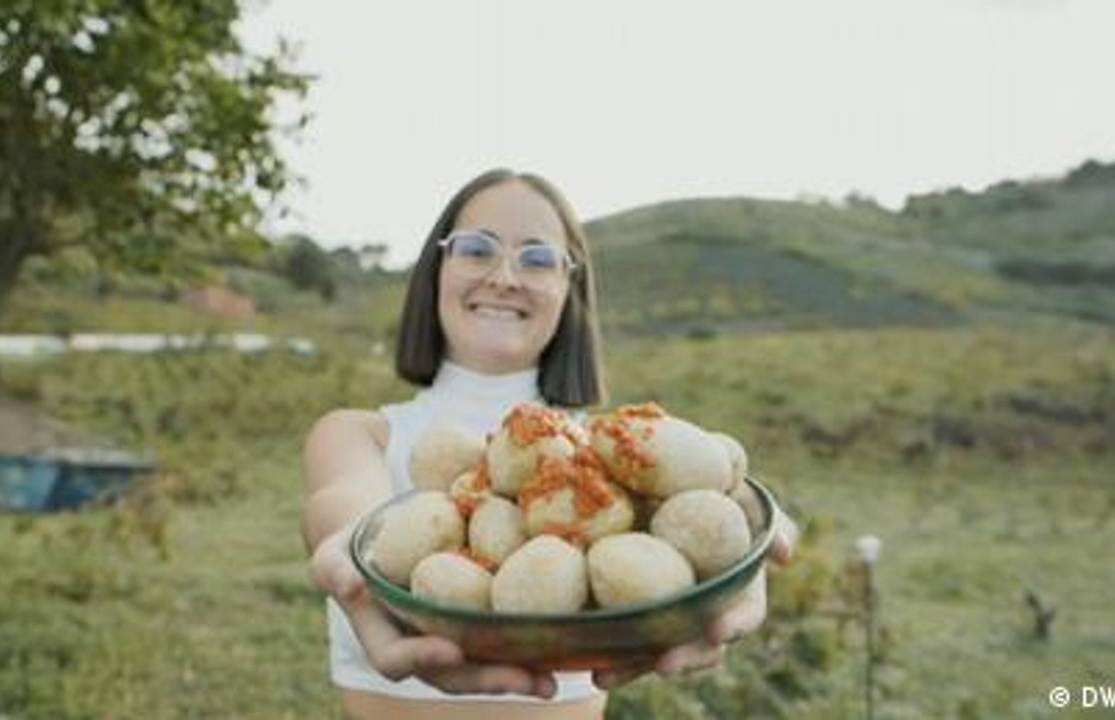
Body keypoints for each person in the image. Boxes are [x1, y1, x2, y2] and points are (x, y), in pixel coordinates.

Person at [301, 169, 797, 719]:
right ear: (435, 269)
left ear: (570, 289)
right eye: (476, 248)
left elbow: (719, 505)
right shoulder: (358, 433)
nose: (504, 275)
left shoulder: (615, 459)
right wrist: (347, 544)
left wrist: (754, 531)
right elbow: (343, 507)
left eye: (537, 259)